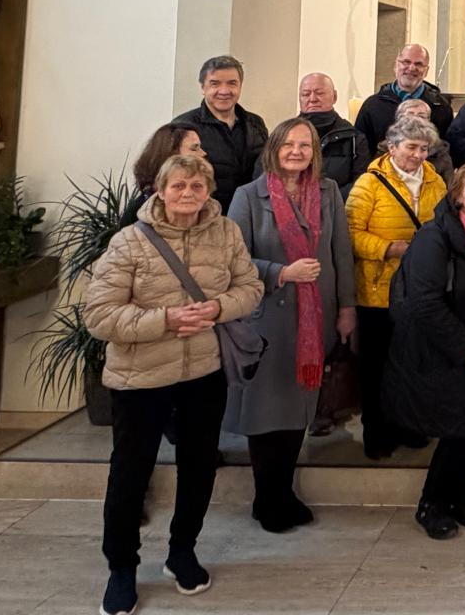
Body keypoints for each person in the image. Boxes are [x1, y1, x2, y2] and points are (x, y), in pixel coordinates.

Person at [84, 154, 262, 615]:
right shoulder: (129, 241)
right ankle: (121, 568)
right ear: (161, 191)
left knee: (199, 465)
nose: (187, 194)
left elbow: (250, 288)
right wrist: (165, 319)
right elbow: (99, 314)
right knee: (131, 472)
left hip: (203, 372)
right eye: (179, 186)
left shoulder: (226, 233)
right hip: (141, 377)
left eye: (197, 186)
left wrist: (218, 308)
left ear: (209, 192)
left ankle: (183, 551)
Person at [224, 117, 356, 532]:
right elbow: (232, 260)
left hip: (315, 318)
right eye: (289, 145)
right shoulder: (249, 196)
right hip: (268, 320)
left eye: (305, 145)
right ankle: (267, 497)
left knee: (299, 410)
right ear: (274, 149)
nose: (297, 152)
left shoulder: (328, 192)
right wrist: (281, 272)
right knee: (267, 414)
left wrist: (347, 307)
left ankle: (283, 491)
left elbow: (341, 253)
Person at [384, 162, 465, 541]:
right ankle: (432, 502)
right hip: (439, 350)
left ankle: (456, 494)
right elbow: (425, 303)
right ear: (456, 195)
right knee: (461, 429)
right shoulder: (433, 237)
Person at [345, 116, 447, 459]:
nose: (418, 155)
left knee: (413, 364)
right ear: (392, 147)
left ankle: (410, 425)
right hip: (378, 290)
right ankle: (377, 432)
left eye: (424, 149)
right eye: (411, 147)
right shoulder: (369, 184)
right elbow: (350, 233)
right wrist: (388, 248)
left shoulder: (435, 181)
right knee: (377, 367)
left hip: (419, 289)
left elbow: (444, 225)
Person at [174, 55, 269, 213]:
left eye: (232, 83)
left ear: (240, 86)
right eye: (215, 83)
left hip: (251, 215)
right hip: (204, 216)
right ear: (203, 88)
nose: (224, 91)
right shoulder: (183, 126)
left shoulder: (256, 124)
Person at [355, 43, 453, 149]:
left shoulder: (441, 107)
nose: (411, 68)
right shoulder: (373, 106)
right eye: (406, 62)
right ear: (396, 65)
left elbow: (446, 150)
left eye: (419, 64)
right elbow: (360, 148)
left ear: (426, 71)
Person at [297, 72, 369, 197]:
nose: (312, 99)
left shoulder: (353, 138)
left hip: (338, 205)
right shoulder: (285, 136)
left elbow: (361, 182)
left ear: (334, 97)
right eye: (306, 94)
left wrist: (329, 201)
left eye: (319, 93)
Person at [120, 122, 207, 226]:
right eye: (194, 148)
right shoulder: (139, 214)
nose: (203, 153)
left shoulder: (205, 205)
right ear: (171, 154)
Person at [391, 97, 454, 185]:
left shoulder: (441, 152)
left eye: (421, 116)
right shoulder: (385, 148)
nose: (415, 120)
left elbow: (449, 186)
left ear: (429, 121)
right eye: (410, 115)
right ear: (399, 119)